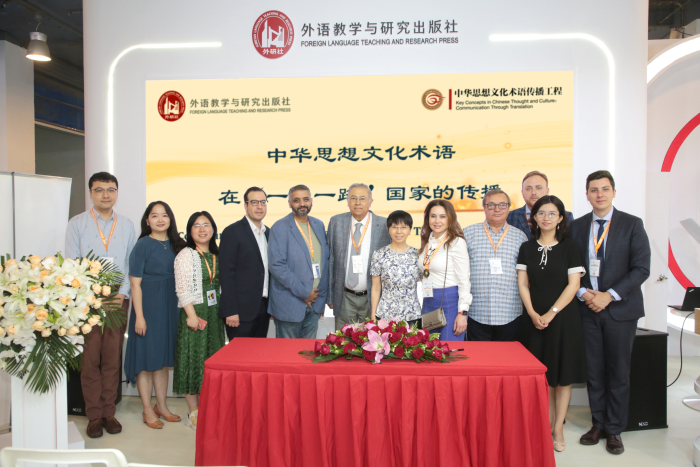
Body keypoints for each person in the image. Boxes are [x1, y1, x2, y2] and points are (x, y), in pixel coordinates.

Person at [570, 171, 650, 455]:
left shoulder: (632, 224)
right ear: (587, 195)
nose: (599, 194)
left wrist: (609, 295)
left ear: (614, 192)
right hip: (587, 309)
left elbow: (641, 268)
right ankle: (598, 424)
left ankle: (615, 429)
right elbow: (571, 267)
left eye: (605, 189)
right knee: (594, 372)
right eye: (594, 190)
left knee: (618, 372)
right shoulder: (577, 227)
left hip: (621, 310)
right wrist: (583, 292)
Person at [65, 172, 136, 439]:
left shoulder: (126, 224)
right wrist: (86, 294)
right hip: (87, 296)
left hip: (117, 295)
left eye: (110, 189)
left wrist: (123, 293)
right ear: (90, 193)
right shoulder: (77, 223)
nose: (105, 194)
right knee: (90, 358)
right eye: (99, 190)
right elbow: (72, 263)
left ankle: (109, 412)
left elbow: (130, 262)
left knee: (112, 356)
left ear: (117, 192)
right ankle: (94, 415)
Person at [516, 195, 587, 452]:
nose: (546, 218)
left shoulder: (570, 247)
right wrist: (533, 313)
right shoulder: (526, 247)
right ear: (533, 217)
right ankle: (542, 424)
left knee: (562, 377)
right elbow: (523, 284)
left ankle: (558, 428)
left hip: (563, 319)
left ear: (560, 218)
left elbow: (574, 285)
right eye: (541, 213)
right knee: (541, 375)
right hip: (533, 319)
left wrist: (551, 313)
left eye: (552, 213)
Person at [125, 201, 186, 429]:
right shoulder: (142, 245)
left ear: (170, 219)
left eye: (164, 215)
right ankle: (147, 409)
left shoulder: (178, 245)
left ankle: (162, 406)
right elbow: (135, 284)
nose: (160, 219)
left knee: (162, 361)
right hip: (148, 310)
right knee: (146, 361)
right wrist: (139, 316)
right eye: (154, 215)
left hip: (171, 308)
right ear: (147, 220)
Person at [173, 211, 226, 431]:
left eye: (206, 225)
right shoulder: (186, 255)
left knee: (211, 361)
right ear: (189, 231)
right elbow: (182, 288)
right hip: (195, 315)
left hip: (215, 316)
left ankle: (210, 409)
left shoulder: (218, 254)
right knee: (192, 361)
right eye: (196, 225)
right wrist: (192, 315)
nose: (202, 229)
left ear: (213, 229)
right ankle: (193, 412)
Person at [464, 189, 527, 341]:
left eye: (502, 205)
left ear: (509, 208)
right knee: (479, 355)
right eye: (491, 205)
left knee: (507, 355)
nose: (497, 209)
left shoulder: (520, 236)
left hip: (510, 311)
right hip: (477, 311)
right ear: (484, 208)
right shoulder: (468, 233)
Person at [268, 185, 330, 338]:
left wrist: (320, 297)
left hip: (315, 303)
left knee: (308, 351)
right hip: (290, 303)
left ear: (311, 201)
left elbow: (325, 261)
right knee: (287, 351)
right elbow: (277, 265)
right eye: (297, 200)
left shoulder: (318, 224)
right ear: (289, 203)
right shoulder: (279, 227)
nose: (302, 204)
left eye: (305, 199)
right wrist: (304, 293)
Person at [327, 183, 391, 330]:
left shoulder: (384, 225)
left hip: (372, 297)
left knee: (371, 339)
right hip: (344, 296)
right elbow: (330, 260)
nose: (357, 202)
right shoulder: (336, 222)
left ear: (370, 201)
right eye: (353, 198)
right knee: (342, 339)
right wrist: (330, 295)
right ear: (347, 201)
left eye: (362, 198)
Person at [219, 187, 271, 340]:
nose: (259, 206)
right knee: (238, 354)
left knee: (259, 353)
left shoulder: (269, 233)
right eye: (254, 202)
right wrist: (231, 311)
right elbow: (226, 275)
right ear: (246, 205)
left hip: (263, 308)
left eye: (263, 202)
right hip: (239, 312)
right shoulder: (232, 232)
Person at [417, 200, 471, 340]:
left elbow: (464, 280)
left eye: (442, 216)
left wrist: (463, 313)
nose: (437, 221)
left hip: (449, 302)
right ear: (427, 218)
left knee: (449, 349)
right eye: (433, 216)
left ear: (450, 218)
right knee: (428, 348)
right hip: (428, 300)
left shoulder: (456, 242)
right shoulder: (427, 241)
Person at [369, 211, 422, 327]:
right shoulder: (379, 254)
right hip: (385, 315)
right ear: (388, 229)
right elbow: (376, 287)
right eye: (394, 227)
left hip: (412, 314)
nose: (399, 231)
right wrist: (373, 314)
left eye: (403, 227)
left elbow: (426, 282)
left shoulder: (418, 255)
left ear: (410, 229)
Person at [507, 170, 574, 240]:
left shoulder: (566, 216)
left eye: (538, 188)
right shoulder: (510, 216)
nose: (533, 192)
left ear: (547, 191)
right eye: (528, 189)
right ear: (522, 192)